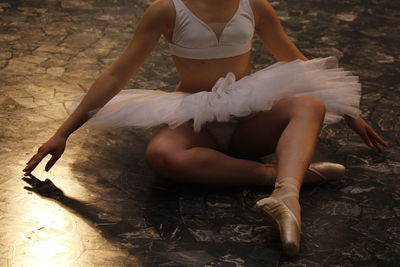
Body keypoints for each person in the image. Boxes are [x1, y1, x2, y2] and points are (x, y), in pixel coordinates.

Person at [22, 0, 388, 256]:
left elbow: (294, 60)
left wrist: (350, 113)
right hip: (196, 121)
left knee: (312, 104)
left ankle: (286, 196)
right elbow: (117, 73)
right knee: (162, 154)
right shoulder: (167, 9)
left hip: (248, 116)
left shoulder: (254, 5)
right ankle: (279, 174)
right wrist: (63, 132)